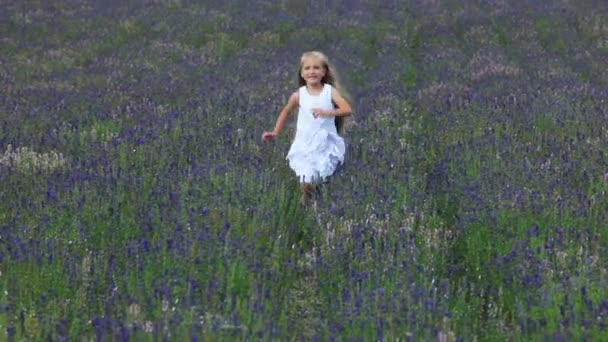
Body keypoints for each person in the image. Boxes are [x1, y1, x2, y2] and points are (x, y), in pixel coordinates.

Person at [262, 51, 353, 205]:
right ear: (302, 74)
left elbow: (346, 109)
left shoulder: (329, 92)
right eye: (307, 68)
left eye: (316, 68)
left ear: (324, 72)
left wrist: (327, 112)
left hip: (325, 143)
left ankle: (316, 198)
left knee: (322, 174)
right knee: (306, 175)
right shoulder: (299, 95)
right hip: (304, 144)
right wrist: (275, 131)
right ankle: (307, 198)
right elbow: (285, 111)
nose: (312, 71)